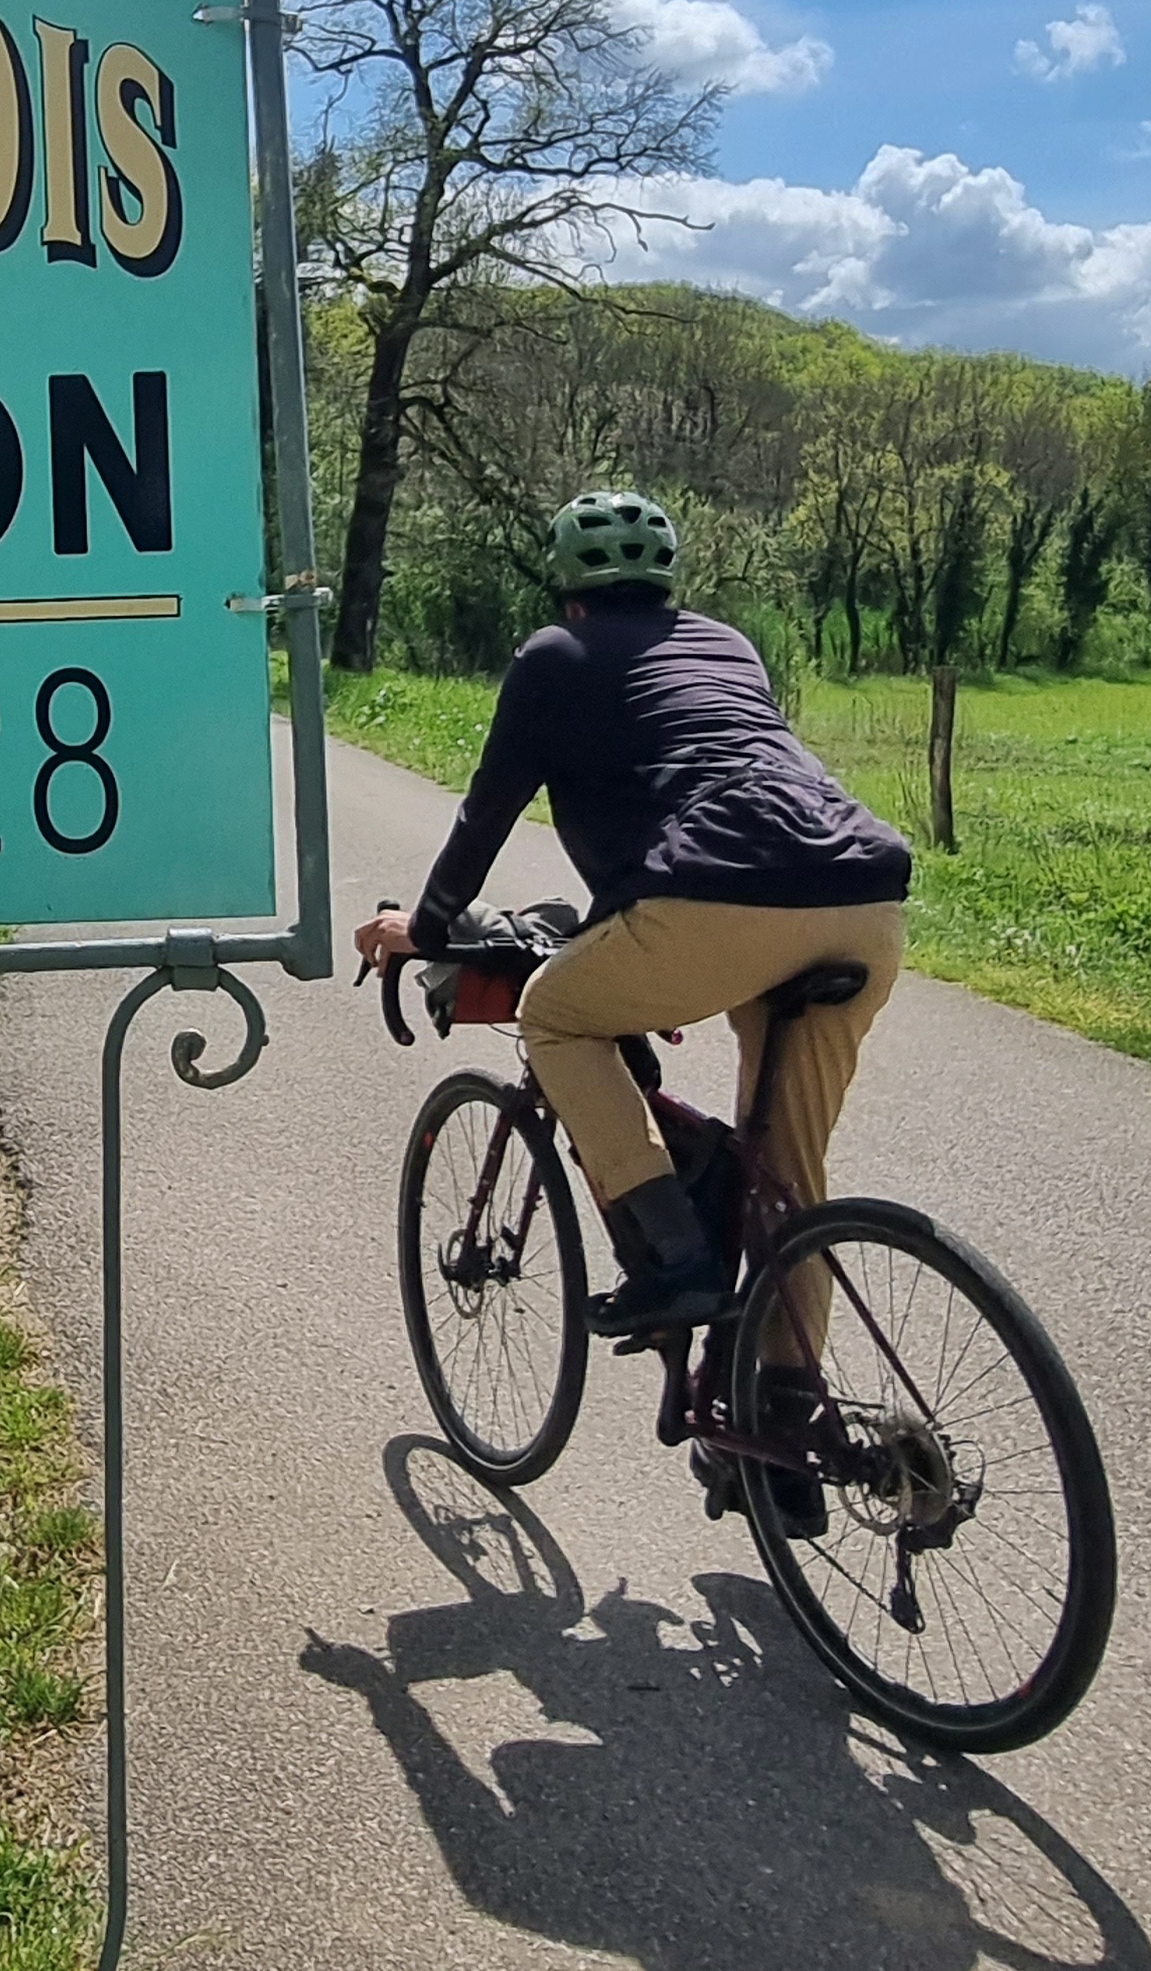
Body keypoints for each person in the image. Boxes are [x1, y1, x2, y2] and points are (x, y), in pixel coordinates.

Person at [352, 489, 911, 1341]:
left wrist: (424, 931)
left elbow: (485, 815)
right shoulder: (728, 645)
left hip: (719, 900)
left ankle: (673, 1256)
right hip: (863, 900)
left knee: (555, 1015)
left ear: (566, 591)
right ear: (668, 584)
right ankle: (786, 1437)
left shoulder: (553, 654)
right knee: (790, 1186)